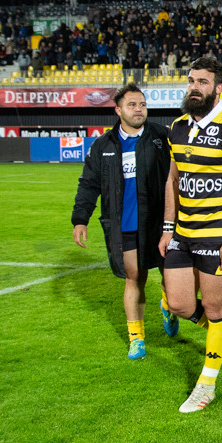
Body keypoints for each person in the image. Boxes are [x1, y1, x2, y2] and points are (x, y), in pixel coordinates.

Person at [157, 56, 222, 413]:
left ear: (219, 88)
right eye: (191, 81)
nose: (195, 88)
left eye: (203, 82)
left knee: (216, 310)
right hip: (182, 234)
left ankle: (206, 387)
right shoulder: (177, 127)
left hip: (217, 235)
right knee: (179, 304)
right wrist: (168, 228)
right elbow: (173, 180)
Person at [71, 83, 177, 360]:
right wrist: (80, 219)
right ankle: (136, 339)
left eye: (142, 104)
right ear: (118, 110)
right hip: (126, 224)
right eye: (132, 105)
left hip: (162, 223)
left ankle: (168, 305)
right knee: (134, 278)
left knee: (171, 281)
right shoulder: (103, 145)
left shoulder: (161, 136)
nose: (139, 109)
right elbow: (88, 184)